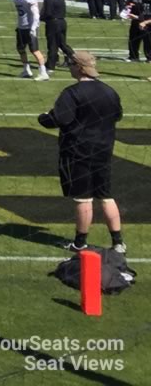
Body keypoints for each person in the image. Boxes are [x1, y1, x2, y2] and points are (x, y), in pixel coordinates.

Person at [39, 51, 125, 254]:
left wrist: (43, 117)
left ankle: (80, 242)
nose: (68, 67)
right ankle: (118, 241)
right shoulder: (109, 91)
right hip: (104, 149)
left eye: (70, 64)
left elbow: (60, 119)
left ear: (78, 67)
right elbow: (118, 115)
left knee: (83, 198)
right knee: (105, 195)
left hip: (78, 150)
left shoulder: (72, 92)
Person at [14, 0, 49, 80]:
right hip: (21, 27)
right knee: (20, 49)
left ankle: (43, 72)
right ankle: (26, 70)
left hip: (29, 27)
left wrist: (33, 28)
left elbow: (36, 15)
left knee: (34, 50)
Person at [40, 0, 73, 72]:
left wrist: (41, 18)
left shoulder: (49, 0)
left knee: (52, 45)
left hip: (53, 23)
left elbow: (48, 13)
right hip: (62, 21)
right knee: (62, 44)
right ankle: (75, 58)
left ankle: (51, 65)